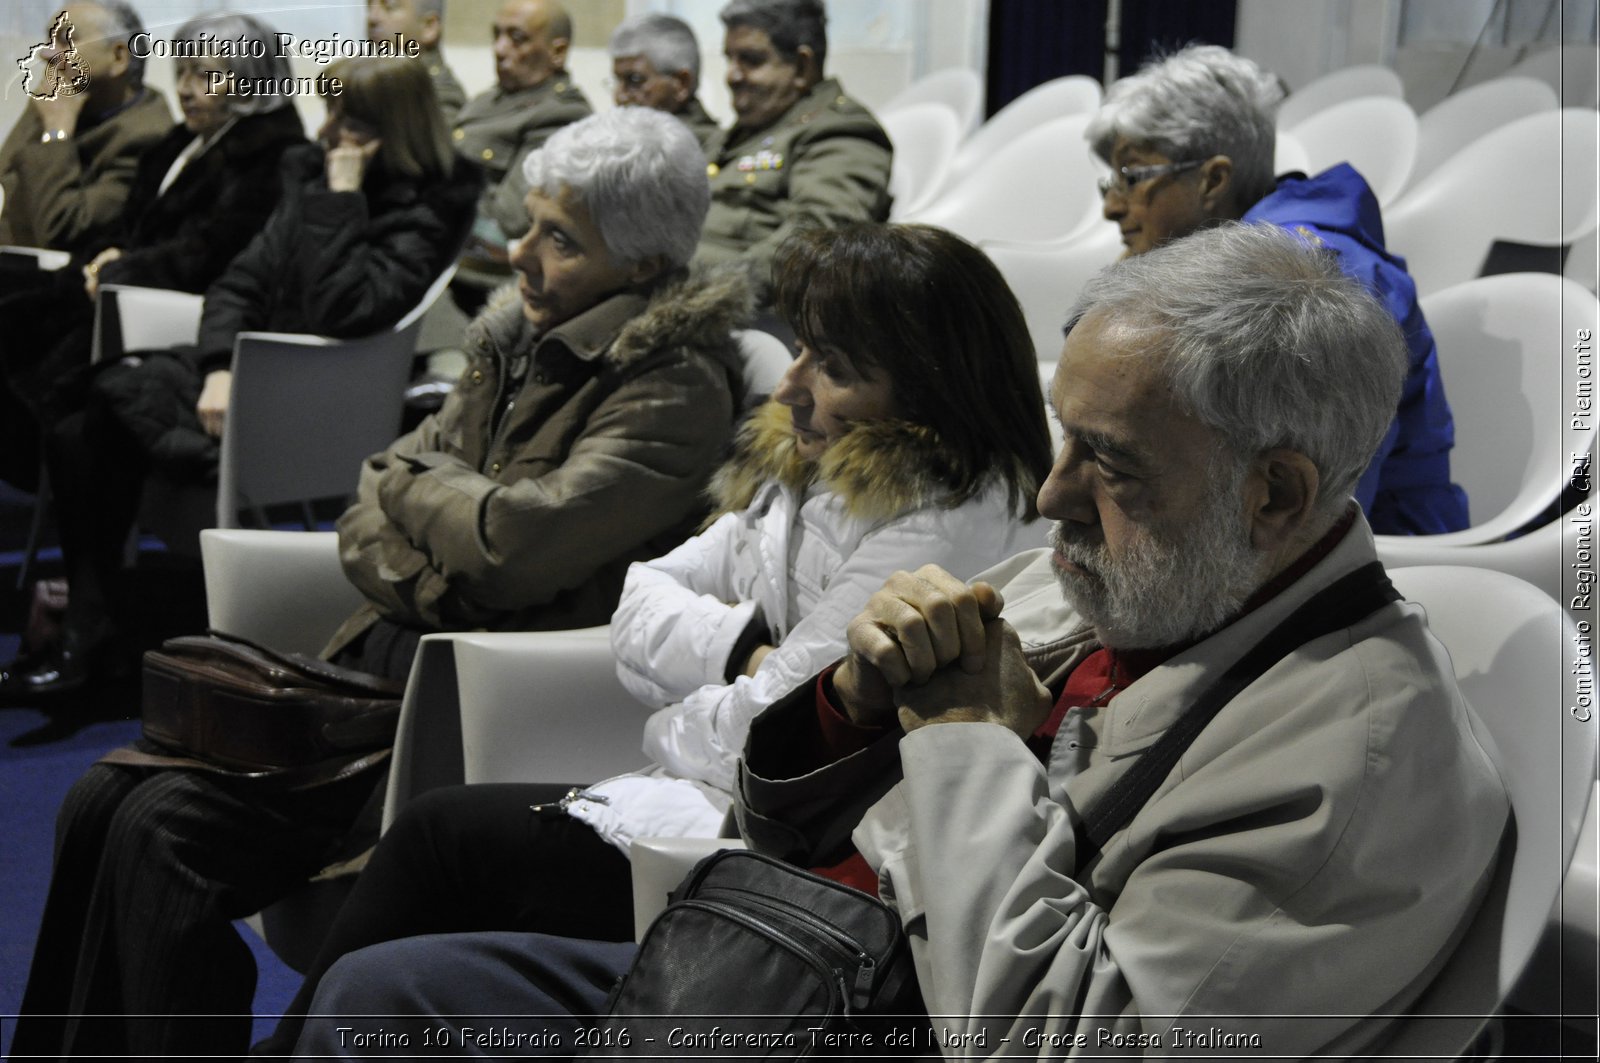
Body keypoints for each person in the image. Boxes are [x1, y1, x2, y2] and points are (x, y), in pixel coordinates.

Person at [286, 224, 1510, 1060]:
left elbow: (1062, 1045)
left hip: (879, 1013)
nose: (1051, 497)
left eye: (1111, 463)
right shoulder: (1109, 579)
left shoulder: (1360, 758)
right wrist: (851, 711)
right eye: (1062, 440)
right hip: (790, 961)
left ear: (1277, 495)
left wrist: (962, 740)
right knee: (387, 993)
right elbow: (775, 819)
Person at [12, 104, 749, 1061]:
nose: (518, 253)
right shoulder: (516, 338)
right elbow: (376, 487)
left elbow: (509, 544)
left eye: (558, 238)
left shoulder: (670, 383)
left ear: (645, 264)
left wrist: (428, 514)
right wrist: (438, 530)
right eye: (525, 222)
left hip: (453, 703)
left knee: (162, 829)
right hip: (361, 680)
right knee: (101, 798)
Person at [273, 220, 1053, 1058]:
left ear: (930, 390)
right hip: (703, 804)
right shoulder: (811, 468)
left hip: (782, 858)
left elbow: (766, 736)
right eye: (801, 351)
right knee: (439, 842)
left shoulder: (942, 521)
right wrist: (738, 649)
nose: (787, 386)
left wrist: (682, 713)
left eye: (831, 366)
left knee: (443, 845)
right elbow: (643, 592)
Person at [0, 54, 482, 701]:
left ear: (389, 127)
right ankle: (94, 628)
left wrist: (340, 200)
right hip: (248, 377)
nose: (325, 129)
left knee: (92, 422)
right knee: (76, 426)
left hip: (306, 398)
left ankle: (92, 632)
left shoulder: (425, 202)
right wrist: (220, 366)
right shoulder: (312, 172)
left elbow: (347, 309)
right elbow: (240, 282)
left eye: (345, 116)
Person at [1086, 43, 1468, 535]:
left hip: (1377, 548)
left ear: (1212, 180)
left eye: (1133, 177)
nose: (1112, 207)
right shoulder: (1232, 262)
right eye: (1110, 181)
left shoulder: (1313, 281)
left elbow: (1322, 501)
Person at [0, 10, 307, 497]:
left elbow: (215, 251)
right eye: (182, 71)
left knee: (61, 413)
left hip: (171, 318)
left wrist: (121, 266)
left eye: (206, 75)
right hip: (120, 295)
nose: (185, 88)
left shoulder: (274, 157)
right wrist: (109, 255)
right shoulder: (183, 143)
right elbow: (129, 228)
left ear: (249, 82)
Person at [696, 0, 893, 298]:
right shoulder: (749, 129)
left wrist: (699, 295)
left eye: (750, 59)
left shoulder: (839, 131)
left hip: (728, 311)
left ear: (802, 66)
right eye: (730, 59)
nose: (732, 76)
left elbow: (817, 241)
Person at [0, 1, 170, 253]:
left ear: (118, 57)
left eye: (66, 39)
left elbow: (61, 231)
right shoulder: (62, 100)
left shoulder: (147, 137)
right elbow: (5, 183)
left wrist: (57, 134)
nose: (46, 53)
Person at [452, 0, 591, 303]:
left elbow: (509, 219)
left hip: (480, 281)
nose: (500, 49)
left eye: (517, 38)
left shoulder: (561, 116)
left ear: (557, 52)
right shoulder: (486, 101)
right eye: (496, 35)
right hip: (444, 256)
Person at [608, 12, 720, 149]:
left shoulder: (698, 149)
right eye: (617, 81)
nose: (620, 96)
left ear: (681, 84)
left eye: (635, 80)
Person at [366, 0, 467, 123]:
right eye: (369, 7)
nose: (372, 18)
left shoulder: (435, 98)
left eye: (389, 8)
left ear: (429, 26)